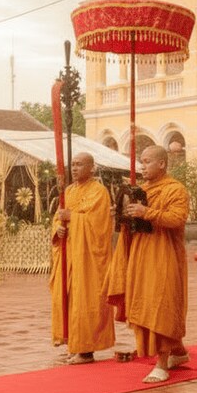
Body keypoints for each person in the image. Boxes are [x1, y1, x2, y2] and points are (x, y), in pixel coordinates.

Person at [106, 145, 190, 383]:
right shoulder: (139, 191)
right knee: (144, 303)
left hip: (164, 255)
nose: (142, 166)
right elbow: (133, 225)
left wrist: (147, 212)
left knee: (160, 305)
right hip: (141, 255)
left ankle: (162, 363)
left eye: (147, 161)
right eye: (141, 162)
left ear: (162, 164)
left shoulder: (175, 189)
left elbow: (177, 219)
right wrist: (123, 214)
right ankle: (179, 351)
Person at [50, 152, 115, 365]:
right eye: (73, 165)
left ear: (92, 168)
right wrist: (58, 228)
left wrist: (73, 218)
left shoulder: (99, 191)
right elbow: (58, 218)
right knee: (68, 297)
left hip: (88, 258)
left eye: (80, 164)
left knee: (86, 299)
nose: (75, 168)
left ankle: (86, 350)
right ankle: (74, 345)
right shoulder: (68, 191)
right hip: (70, 254)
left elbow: (98, 224)